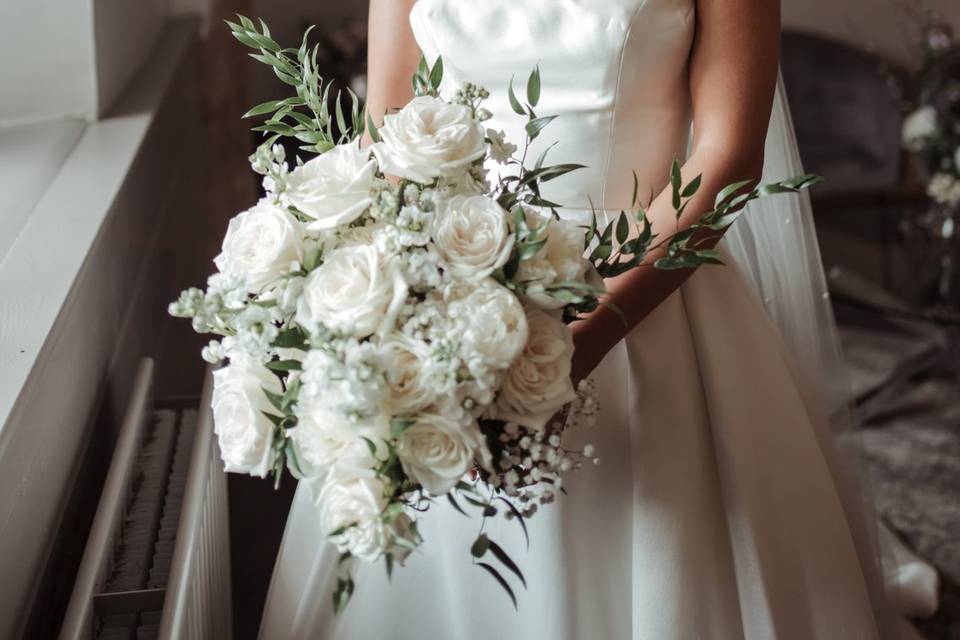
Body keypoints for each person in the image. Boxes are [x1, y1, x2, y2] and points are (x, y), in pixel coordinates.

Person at [259, 1, 937, 637]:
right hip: (454, 294)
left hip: (646, 292)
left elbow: (729, 156)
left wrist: (580, 342)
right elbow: (391, 122)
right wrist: (413, 312)